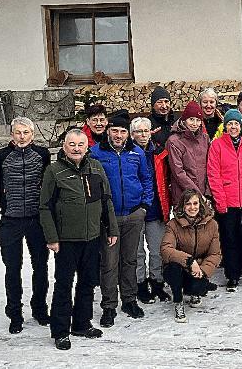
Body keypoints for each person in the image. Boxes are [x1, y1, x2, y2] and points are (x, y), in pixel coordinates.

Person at [39, 129, 119, 350]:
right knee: (64, 285)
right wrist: (52, 238)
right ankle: (61, 331)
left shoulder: (96, 168)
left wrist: (111, 229)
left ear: (87, 147)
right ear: (64, 146)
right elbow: (45, 207)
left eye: (80, 144)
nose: (76, 148)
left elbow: (106, 201)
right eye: (71, 144)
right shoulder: (54, 171)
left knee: (87, 282)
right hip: (65, 240)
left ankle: (82, 324)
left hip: (92, 237)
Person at [90, 111, 153, 327]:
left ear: (128, 133)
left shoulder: (137, 153)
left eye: (122, 131)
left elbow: (146, 179)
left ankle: (129, 299)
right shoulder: (96, 153)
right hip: (109, 217)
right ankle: (109, 305)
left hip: (134, 214)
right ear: (108, 130)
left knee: (130, 259)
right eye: (114, 130)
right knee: (109, 262)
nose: (118, 135)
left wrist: (144, 206)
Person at [0, 116, 52, 334]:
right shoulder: (1, 157)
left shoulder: (42, 155)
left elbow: (47, 182)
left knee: (40, 265)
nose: (22, 136)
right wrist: (6, 204)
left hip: (36, 219)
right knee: (12, 268)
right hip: (12, 220)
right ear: (12, 135)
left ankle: (40, 308)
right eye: (18, 132)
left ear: (32, 135)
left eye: (26, 132)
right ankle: (15, 313)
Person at [208, 109, 242, 292]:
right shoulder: (217, 145)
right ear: (225, 126)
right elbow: (213, 174)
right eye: (230, 123)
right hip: (227, 199)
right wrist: (220, 200)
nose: (233, 127)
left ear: (241, 125)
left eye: (236, 123)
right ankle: (233, 276)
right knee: (229, 239)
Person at [160, 190, 222, 323]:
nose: (192, 207)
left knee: (198, 287)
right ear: (183, 206)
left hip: (199, 269)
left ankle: (195, 292)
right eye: (188, 204)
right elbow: (166, 249)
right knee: (173, 268)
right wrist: (189, 261)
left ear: (201, 205)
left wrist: (204, 271)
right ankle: (178, 301)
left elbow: (215, 253)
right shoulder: (173, 225)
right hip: (179, 267)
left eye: (195, 203)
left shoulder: (212, 225)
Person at [130, 117, 171, 306]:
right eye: (138, 131)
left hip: (156, 208)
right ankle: (139, 284)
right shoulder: (128, 153)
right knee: (137, 252)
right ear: (132, 134)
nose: (143, 135)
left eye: (146, 131)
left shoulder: (159, 152)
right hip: (135, 210)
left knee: (157, 250)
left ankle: (157, 282)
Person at [166, 101, 210, 206]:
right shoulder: (174, 141)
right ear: (184, 120)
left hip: (204, 196)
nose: (195, 123)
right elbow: (178, 172)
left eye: (198, 120)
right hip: (184, 196)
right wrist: (198, 195)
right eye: (191, 119)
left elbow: (211, 166)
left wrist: (208, 193)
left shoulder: (205, 138)